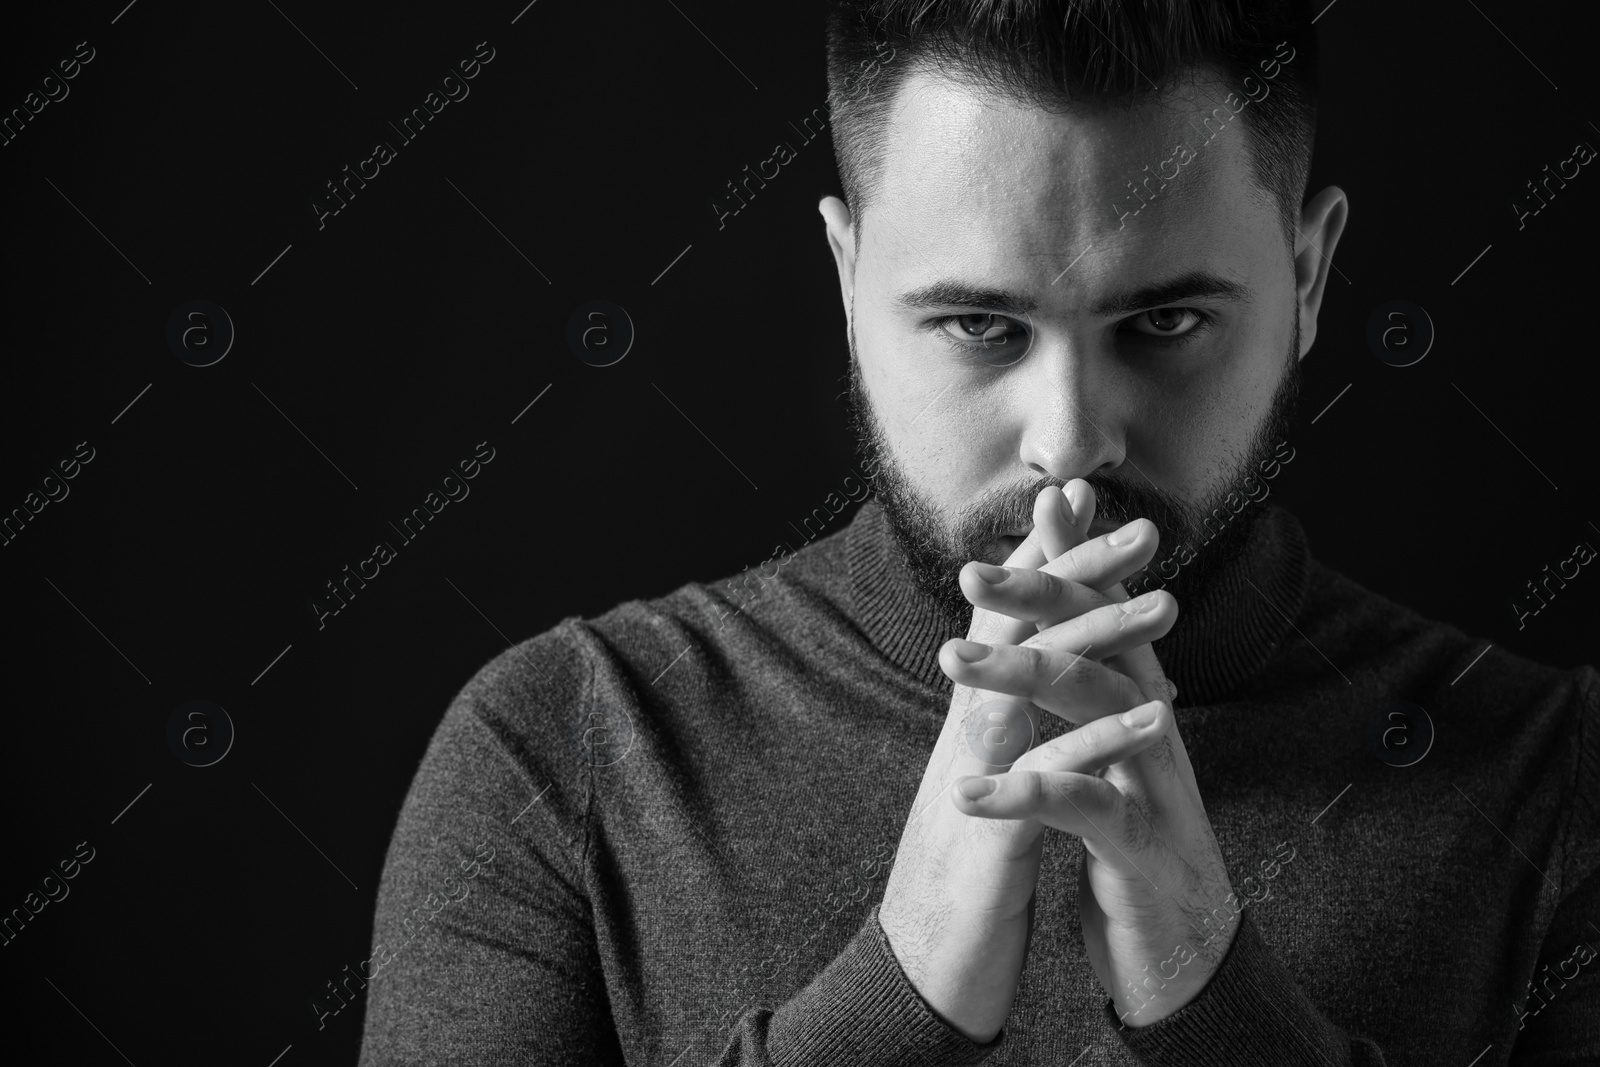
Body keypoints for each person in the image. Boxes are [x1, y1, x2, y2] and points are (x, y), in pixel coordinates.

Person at [355, 0, 1600, 1062]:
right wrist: (896, 997)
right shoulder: (562, 752)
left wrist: (1213, 994)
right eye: (978, 326)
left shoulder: (1551, 781)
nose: (1069, 440)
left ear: (1309, 277)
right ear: (850, 288)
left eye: (1163, 323)